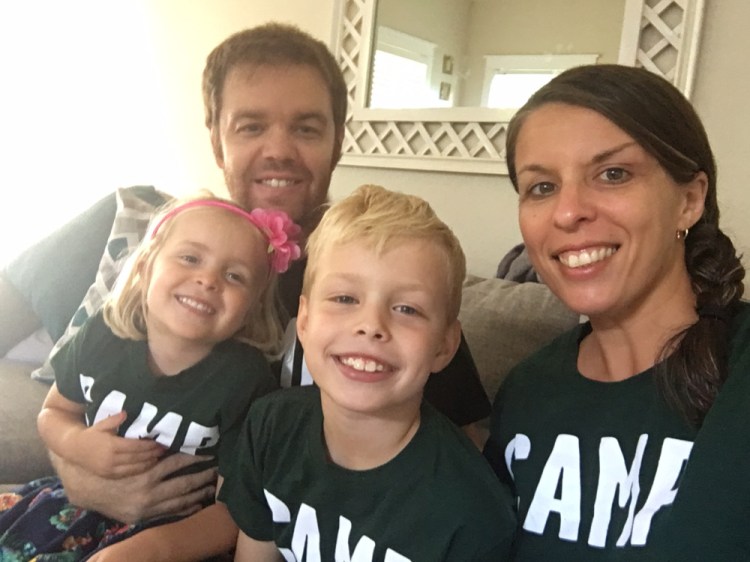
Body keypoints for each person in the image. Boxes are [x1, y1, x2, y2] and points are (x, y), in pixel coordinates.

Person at [0, 23, 491, 525]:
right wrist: (80, 476)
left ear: (337, 142)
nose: (278, 150)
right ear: (217, 140)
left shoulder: (374, 266)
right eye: (251, 126)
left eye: (306, 128)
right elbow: (52, 378)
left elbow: (466, 444)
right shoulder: (147, 230)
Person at [483, 63, 748, 559]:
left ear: (689, 200)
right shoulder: (526, 392)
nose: (568, 212)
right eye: (542, 187)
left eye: (613, 174)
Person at [220, 184, 516, 561]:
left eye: (407, 309)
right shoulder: (269, 427)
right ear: (305, 320)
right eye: (345, 299)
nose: (371, 325)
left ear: (444, 345)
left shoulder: (472, 510)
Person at [0, 193, 301, 560]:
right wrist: (80, 445)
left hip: (175, 537)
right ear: (145, 267)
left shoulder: (246, 380)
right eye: (190, 258)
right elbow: (54, 412)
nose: (208, 280)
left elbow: (237, 512)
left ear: (252, 307)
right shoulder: (101, 335)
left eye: (234, 275)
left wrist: (155, 548)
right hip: (72, 511)